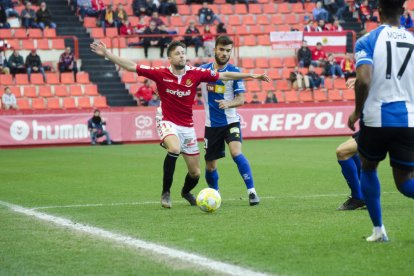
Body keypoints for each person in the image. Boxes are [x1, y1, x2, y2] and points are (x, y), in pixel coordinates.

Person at [90, 39, 269, 208]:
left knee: (196, 173)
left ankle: (185, 192)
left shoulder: (195, 74)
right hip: (167, 120)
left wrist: (252, 75)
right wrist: (107, 53)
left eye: (184, 53)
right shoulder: (160, 73)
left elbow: (225, 75)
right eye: (178, 53)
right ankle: (166, 192)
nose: (182, 56)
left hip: (187, 126)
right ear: (170, 58)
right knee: (174, 149)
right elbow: (130, 66)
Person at [348, 0, 414, 242]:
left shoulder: (368, 40)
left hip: (377, 117)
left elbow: (364, 80)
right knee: (406, 182)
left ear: (378, 12)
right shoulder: (412, 40)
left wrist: (356, 111)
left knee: (368, 166)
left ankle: (379, 230)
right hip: (408, 120)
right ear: (404, 13)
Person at [199, 36, 261, 206]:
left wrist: (228, 103)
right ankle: (215, 194)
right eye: (221, 49)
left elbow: (241, 99)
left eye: (228, 50)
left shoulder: (234, 72)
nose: (224, 53)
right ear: (215, 50)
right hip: (211, 126)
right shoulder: (203, 71)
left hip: (231, 121)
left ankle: (252, 192)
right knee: (210, 166)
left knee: (236, 152)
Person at [336, 132, 365, 210]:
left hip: (382, 127)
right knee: (349, 150)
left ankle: (357, 198)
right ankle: (366, 195)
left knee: (342, 152)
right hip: (369, 126)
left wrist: (352, 120)